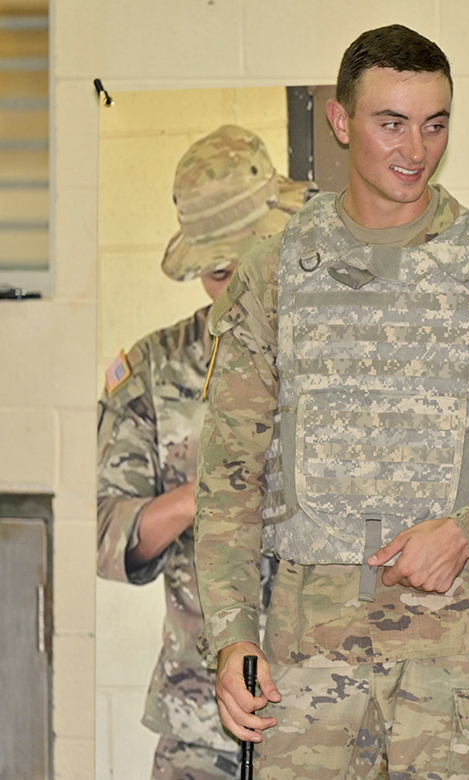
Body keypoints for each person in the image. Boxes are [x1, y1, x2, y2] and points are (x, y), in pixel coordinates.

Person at [194, 24, 469, 778]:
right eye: (392, 123)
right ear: (342, 122)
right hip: (311, 651)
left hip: (461, 660)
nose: (416, 149)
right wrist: (233, 633)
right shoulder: (274, 273)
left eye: (435, 123)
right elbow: (230, 475)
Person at [97, 125, 315, 780]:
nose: (238, 286)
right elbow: (102, 530)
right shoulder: (152, 370)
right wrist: (198, 498)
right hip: (200, 728)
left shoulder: (344, 355)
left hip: (328, 721)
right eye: (219, 272)